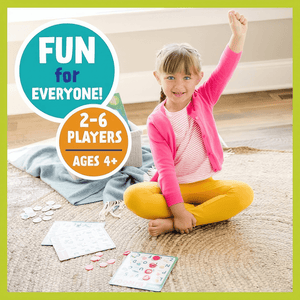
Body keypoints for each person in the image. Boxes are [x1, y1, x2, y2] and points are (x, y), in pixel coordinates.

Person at [124, 10, 254, 237]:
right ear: (158, 77)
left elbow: (225, 69)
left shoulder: (204, 98)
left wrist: (237, 36)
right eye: (170, 77)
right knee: (133, 197)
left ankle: (177, 221)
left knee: (243, 194)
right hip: (172, 188)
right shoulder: (156, 121)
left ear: (198, 78)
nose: (179, 85)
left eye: (186, 77)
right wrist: (178, 207)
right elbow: (165, 171)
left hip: (204, 185)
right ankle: (192, 214)